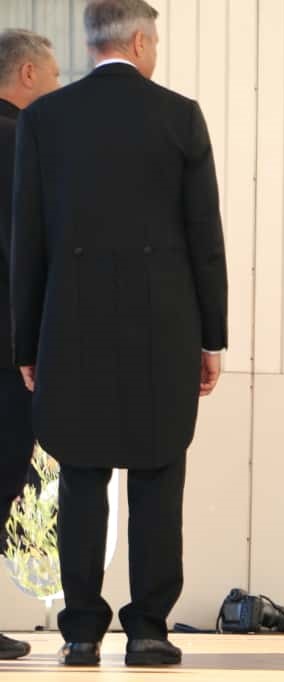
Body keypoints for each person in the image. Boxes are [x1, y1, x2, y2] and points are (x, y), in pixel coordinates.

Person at [11, 0, 227, 666]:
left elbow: (29, 240)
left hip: (70, 325)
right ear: (139, 41)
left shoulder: (44, 119)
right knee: (157, 477)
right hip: (164, 325)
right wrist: (211, 337)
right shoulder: (179, 116)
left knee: (80, 479)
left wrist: (27, 344)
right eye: (154, 40)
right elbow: (204, 240)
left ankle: (79, 632)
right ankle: (149, 629)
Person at [0, 27, 60, 662]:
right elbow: (26, 255)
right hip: (5, 346)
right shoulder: (19, 145)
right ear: (25, 77)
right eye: (53, 74)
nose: (56, 85)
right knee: (4, 472)